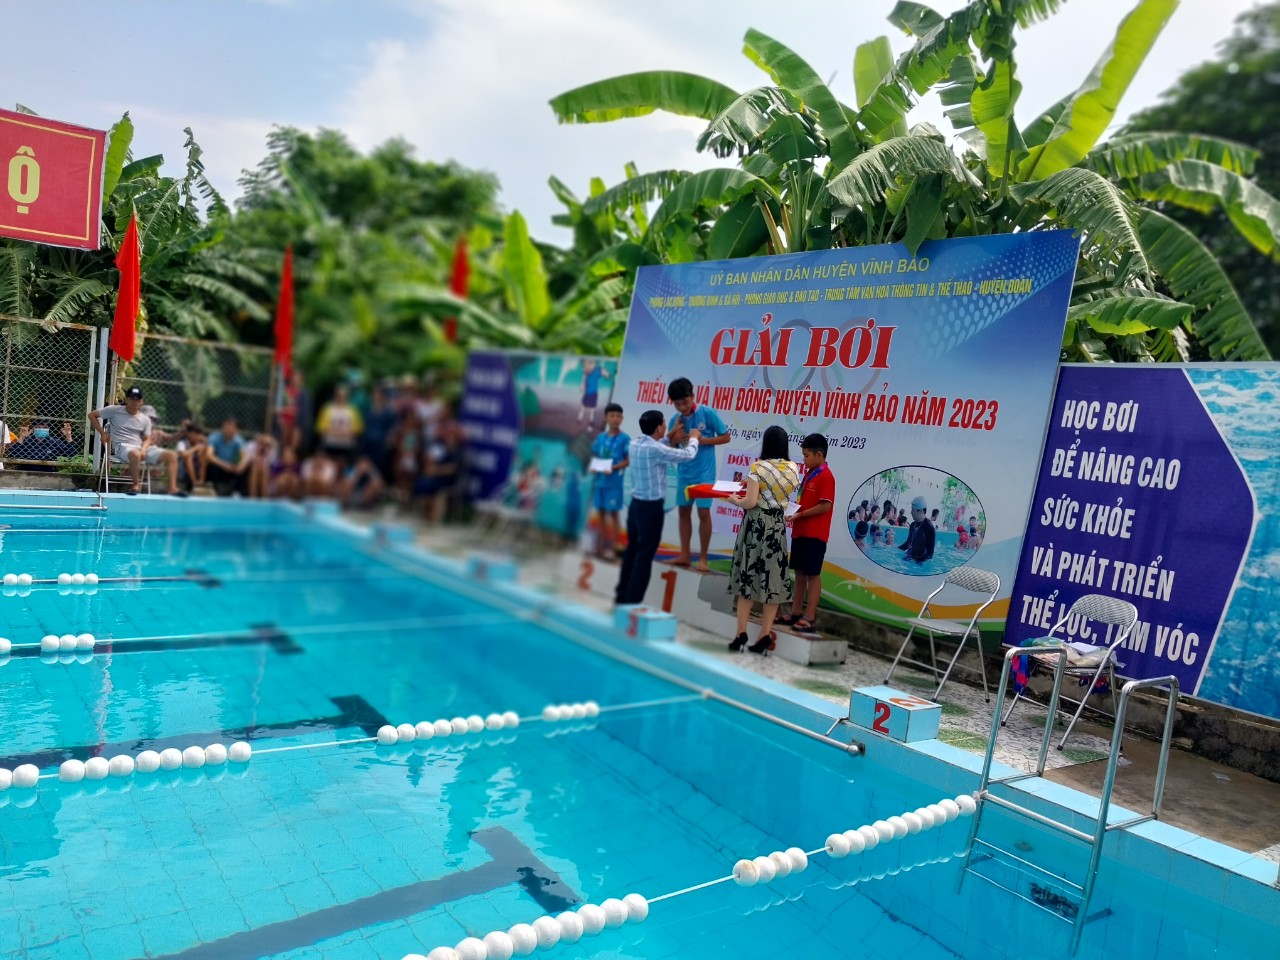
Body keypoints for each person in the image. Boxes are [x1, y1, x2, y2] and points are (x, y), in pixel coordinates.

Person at [725, 426, 801, 654]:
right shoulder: (793, 468)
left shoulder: (758, 467)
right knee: (773, 580)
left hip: (756, 525)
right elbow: (778, 492)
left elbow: (750, 502)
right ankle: (765, 634)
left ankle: (741, 633)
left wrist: (734, 500)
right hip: (777, 526)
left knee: (747, 577)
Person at [615, 410, 700, 605]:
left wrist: (669, 437)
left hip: (635, 506)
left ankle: (621, 597)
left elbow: (658, 445)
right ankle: (632, 603)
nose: (666, 426)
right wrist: (694, 438)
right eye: (664, 424)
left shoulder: (636, 443)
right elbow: (687, 454)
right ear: (659, 428)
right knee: (644, 556)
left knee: (632, 551)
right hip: (650, 509)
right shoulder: (656, 450)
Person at [665, 377, 729, 572]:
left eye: (685, 402)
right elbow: (670, 449)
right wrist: (673, 438)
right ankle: (684, 555)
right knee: (683, 512)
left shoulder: (708, 413)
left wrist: (703, 441)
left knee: (703, 513)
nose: (682, 407)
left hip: (704, 474)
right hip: (684, 473)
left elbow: (726, 437)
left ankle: (703, 558)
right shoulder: (675, 421)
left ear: (693, 396)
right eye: (677, 404)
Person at [780, 433, 835, 634]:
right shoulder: (810, 474)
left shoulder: (826, 476)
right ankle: (796, 612)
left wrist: (801, 514)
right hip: (800, 531)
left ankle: (810, 617)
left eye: (806, 455)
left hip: (815, 534)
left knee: (812, 574)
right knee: (799, 573)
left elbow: (825, 506)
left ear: (819, 454)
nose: (803, 460)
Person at [89, 387, 184, 496]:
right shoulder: (114, 410)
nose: (135, 401)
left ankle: (172, 488)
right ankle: (135, 485)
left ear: (142, 401)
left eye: (138, 399)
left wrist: (143, 449)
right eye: (132, 398)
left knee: (171, 455)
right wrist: (103, 433)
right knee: (135, 454)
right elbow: (92, 415)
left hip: (141, 447)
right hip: (122, 447)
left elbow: (147, 438)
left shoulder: (145, 419)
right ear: (126, 399)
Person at [590, 402, 630, 558]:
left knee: (613, 515)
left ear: (622, 418)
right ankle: (599, 548)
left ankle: (614, 549)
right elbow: (595, 455)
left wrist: (612, 468)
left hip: (614, 484)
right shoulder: (601, 437)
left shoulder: (624, 438)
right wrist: (595, 466)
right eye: (612, 416)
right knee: (600, 514)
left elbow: (628, 461)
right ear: (606, 418)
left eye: (618, 416)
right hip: (600, 482)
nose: (615, 419)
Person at [414, 419, 463, 522]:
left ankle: (433, 515)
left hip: (448, 479)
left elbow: (453, 469)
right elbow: (433, 460)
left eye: (452, 435)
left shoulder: (458, 451)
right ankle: (427, 512)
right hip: (436, 476)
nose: (449, 437)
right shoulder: (441, 447)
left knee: (431, 486)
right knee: (422, 484)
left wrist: (436, 470)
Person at [316, 384, 364, 461]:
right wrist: (337, 433)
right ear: (335, 395)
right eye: (339, 395)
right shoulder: (327, 409)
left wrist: (345, 433)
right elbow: (320, 428)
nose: (341, 398)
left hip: (347, 446)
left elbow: (359, 430)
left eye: (344, 396)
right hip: (330, 445)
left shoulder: (353, 410)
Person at [5, 419, 76, 469]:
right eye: (38, 427)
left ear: (48, 429)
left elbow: (71, 455)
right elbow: (13, 455)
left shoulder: (54, 442)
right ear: (33, 429)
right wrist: (21, 437)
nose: (41, 429)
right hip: (26, 474)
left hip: (49, 475)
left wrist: (68, 436)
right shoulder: (27, 442)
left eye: (45, 427)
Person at [204, 417, 250, 496]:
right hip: (218, 465)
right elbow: (209, 455)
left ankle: (239, 493)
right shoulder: (214, 437)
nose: (228, 429)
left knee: (245, 468)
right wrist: (224, 465)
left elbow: (245, 456)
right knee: (211, 466)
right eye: (226, 426)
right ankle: (214, 490)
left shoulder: (238, 440)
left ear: (237, 430)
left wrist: (241, 466)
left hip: (231, 466)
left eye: (231, 427)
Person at [899, 495, 937, 564]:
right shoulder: (912, 525)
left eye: (913, 510)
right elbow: (908, 543)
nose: (911, 512)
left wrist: (916, 560)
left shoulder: (929, 528)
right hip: (908, 558)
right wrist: (895, 550)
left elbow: (930, 554)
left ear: (921, 511)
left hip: (919, 564)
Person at [578, 359, 611, 431]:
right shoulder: (585, 374)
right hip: (587, 394)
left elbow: (605, 373)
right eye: (584, 365)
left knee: (592, 410)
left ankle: (591, 422)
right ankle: (579, 419)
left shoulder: (597, 371)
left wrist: (607, 375)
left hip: (593, 394)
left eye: (587, 364)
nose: (586, 366)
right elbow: (582, 386)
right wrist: (583, 383)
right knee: (582, 408)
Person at [175, 423, 208, 491]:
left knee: (203, 455)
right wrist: (195, 448)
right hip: (183, 471)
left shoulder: (200, 443)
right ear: (189, 434)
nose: (197, 436)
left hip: (197, 469)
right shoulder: (182, 443)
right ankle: (195, 484)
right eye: (195, 434)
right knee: (188, 458)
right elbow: (184, 455)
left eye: (198, 434)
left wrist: (205, 441)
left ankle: (201, 482)